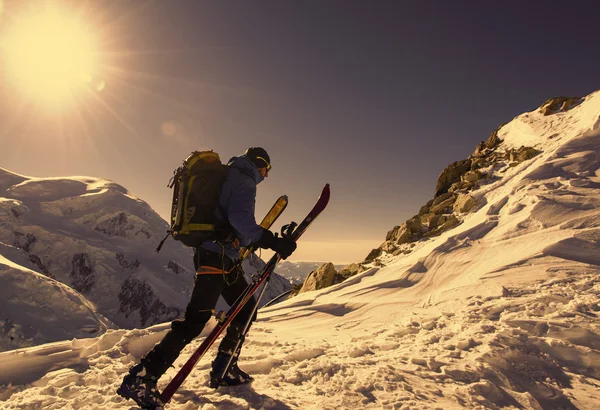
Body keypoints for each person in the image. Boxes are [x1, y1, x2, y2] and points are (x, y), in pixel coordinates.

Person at [118, 147, 297, 406]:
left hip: (223, 257)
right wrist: (273, 241)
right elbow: (240, 219)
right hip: (216, 257)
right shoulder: (244, 180)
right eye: (267, 170)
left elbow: (230, 220)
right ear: (259, 165)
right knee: (195, 321)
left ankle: (225, 367)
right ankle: (142, 378)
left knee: (245, 310)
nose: (266, 176)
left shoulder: (230, 176)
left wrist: (254, 241)